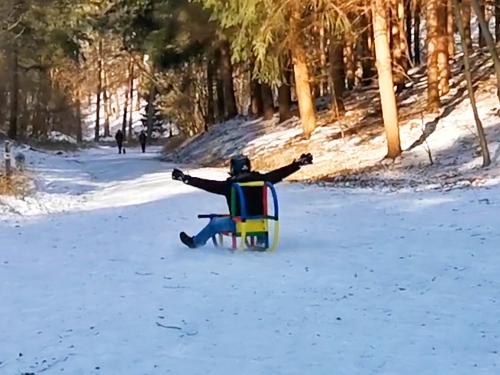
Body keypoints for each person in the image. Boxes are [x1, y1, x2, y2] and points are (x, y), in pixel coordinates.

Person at [172, 153, 313, 248]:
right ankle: (261, 239)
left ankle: (195, 242)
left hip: (238, 225)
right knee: (255, 216)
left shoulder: (229, 186)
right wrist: (297, 164)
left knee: (215, 223)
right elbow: (279, 173)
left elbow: (207, 184)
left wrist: (186, 179)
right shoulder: (261, 180)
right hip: (260, 223)